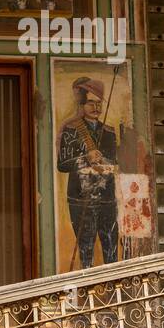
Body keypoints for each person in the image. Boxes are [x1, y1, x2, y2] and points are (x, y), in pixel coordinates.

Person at [57, 76, 119, 268]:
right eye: (91, 103)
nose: (96, 108)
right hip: (80, 197)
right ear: (82, 104)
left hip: (106, 196)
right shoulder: (71, 130)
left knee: (111, 245)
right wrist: (85, 159)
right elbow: (62, 164)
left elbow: (115, 161)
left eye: (98, 103)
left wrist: (105, 162)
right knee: (86, 248)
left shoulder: (108, 131)